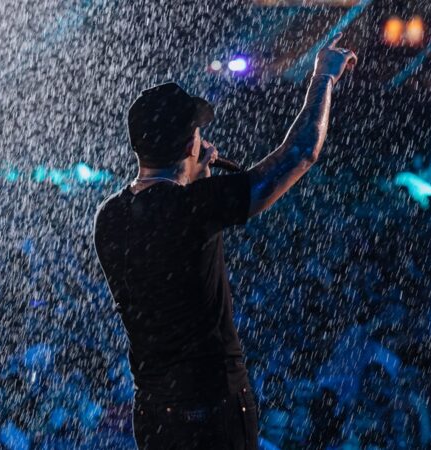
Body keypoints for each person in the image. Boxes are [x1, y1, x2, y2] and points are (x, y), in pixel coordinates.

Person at [93, 33, 357, 449]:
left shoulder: (109, 216)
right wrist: (323, 77)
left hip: (154, 410)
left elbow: (167, 233)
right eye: (198, 134)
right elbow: (301, 153)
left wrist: (195, 178)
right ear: (188, 144)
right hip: (210, 409)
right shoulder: (193, 209)